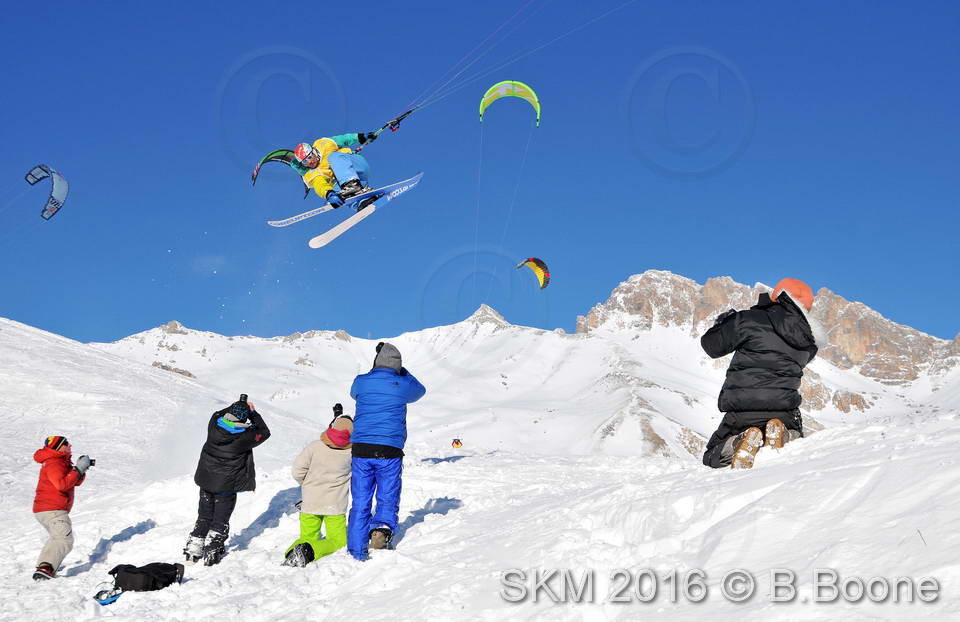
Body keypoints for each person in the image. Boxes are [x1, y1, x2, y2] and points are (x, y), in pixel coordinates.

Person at [700, 278, 819, 469]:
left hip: (743, 411)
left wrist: (724, 322)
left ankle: (738, 442)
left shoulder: (749, 320)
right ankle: (787, 435)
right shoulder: (809, 342)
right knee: (795, 437)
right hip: (785, 412)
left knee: (712, 455)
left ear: (776, 296)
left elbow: (711, 346)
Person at [347, 343, 426, 560]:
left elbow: (354, 394)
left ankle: (356, 550)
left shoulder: (361, 381)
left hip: (362, 449)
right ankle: (381, 529)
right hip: (389, 449)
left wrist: (375, 371)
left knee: (360, 500)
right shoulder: (402, 384)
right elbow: (420, 390)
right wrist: (403, 372)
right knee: (387, 495)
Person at [185, 394, 270, 565]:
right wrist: (252, 413)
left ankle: (194, 547)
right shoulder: (245, 436)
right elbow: (264, 432)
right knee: (220, 519)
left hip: (206, 481)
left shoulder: (214, 425)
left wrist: (236, 406)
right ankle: (213, 549)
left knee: (204, 515)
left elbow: (218, 413)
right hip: (226, 486)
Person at [283, 403, 354, 567]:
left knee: (307, 537)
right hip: (335, 506)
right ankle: (309, 551)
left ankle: (292, 553)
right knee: (338, 541)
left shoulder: (315, 446)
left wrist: (307, 485)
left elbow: (297, 470)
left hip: (310, 502)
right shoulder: (352, 452)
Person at [32, 435, 93, 580]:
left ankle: (44, 566)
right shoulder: (54, 462)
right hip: (53, 509)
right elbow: (62, 484)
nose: (70, 445)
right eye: (66, 443)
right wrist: (78, 469)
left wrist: (81, 469)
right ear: (58, 447)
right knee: (63, 539)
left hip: (48, 509)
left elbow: (74, 482)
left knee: (57, 538)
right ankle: (45, 568)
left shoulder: (59, 461)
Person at [293, 132, 379, 208]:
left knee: (333, 157)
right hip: (355, 183)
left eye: (310, 157)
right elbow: (320, 185)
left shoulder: (323, 144)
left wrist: (360, 137)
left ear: (313, 152)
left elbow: (344, 139)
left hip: (357, 166)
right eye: (305, 162)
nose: (310, 162)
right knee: (334, 187)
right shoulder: (312, 173)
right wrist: (329, 194)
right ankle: (361, 201)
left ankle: (352, 184)